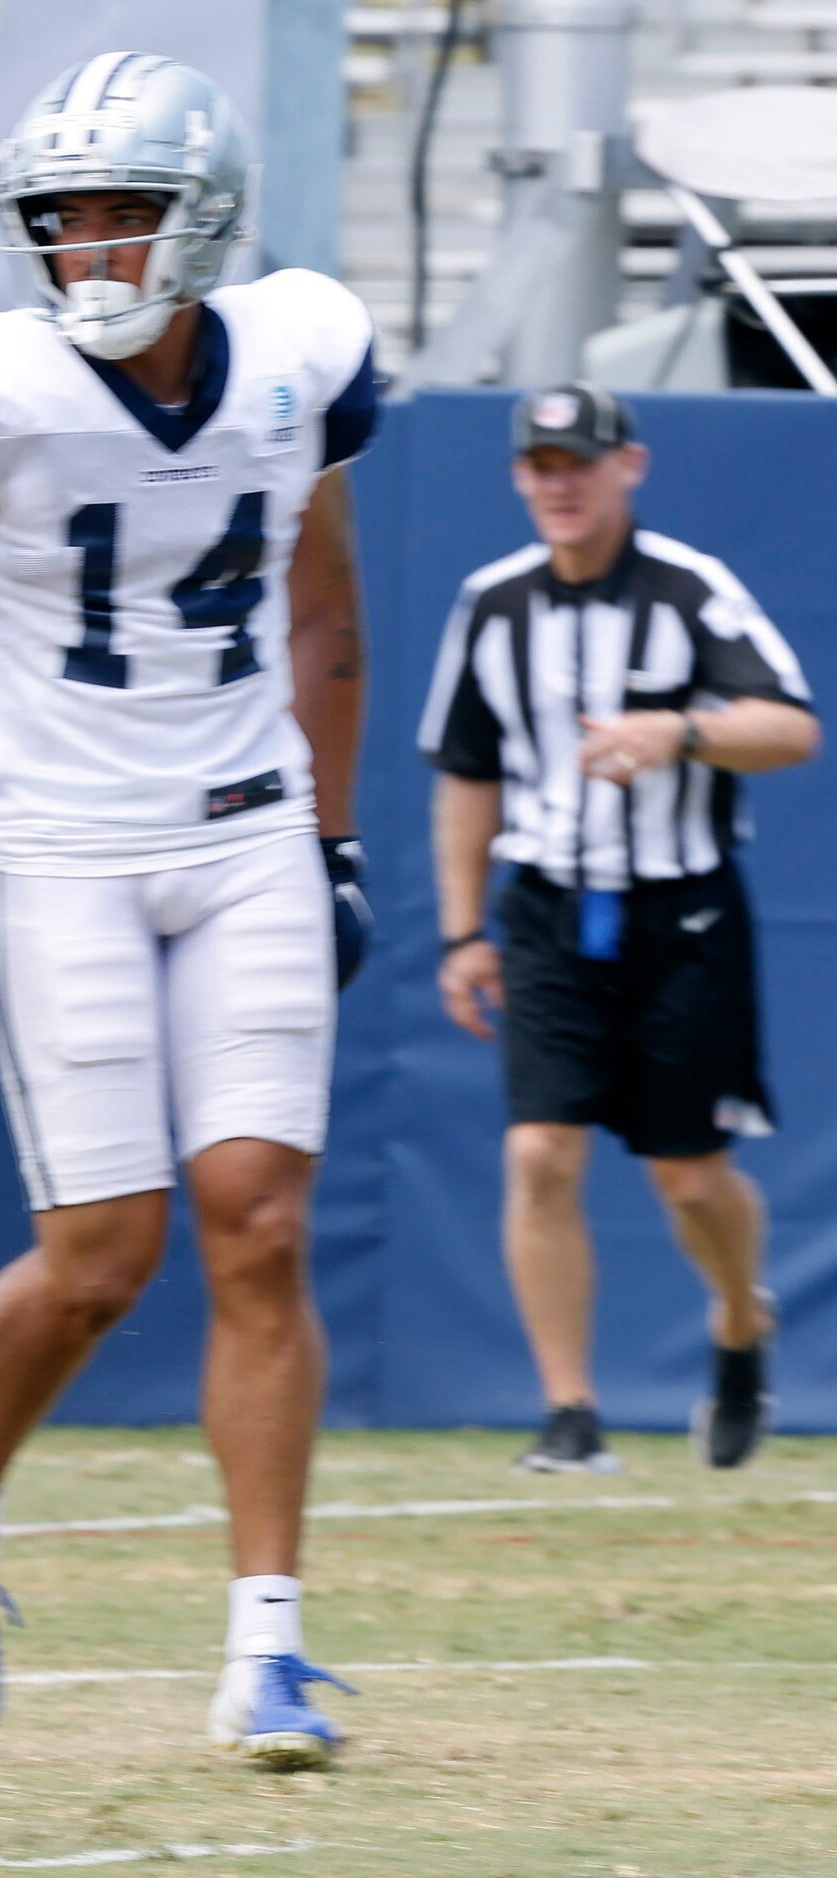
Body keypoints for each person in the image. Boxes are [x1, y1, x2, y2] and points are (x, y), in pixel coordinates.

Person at [0, 55, 380, 1770]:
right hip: (60, 842)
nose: (87, 250)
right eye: (60, 220)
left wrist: (338, 837)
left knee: (261, 1221)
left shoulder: (295, 357)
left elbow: (326, 616)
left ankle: (266, 1650)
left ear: (201, 215)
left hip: (245, 826)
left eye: (123, 212)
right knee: (99, 1263)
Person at [422, 382, 815, 1476]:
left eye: (578, 462)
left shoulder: (692, 591)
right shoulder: (492, 605)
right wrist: (465, 933)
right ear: (517, 476)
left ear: (627, 466)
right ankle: (571, 1413)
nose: (559, 483)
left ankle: (741, 1322)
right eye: (539, 465)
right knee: (541, 1153)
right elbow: (465, 777)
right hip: (545, 907)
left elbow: (790, 728)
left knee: (687, 1176)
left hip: (679, 908)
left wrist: (677, 731)